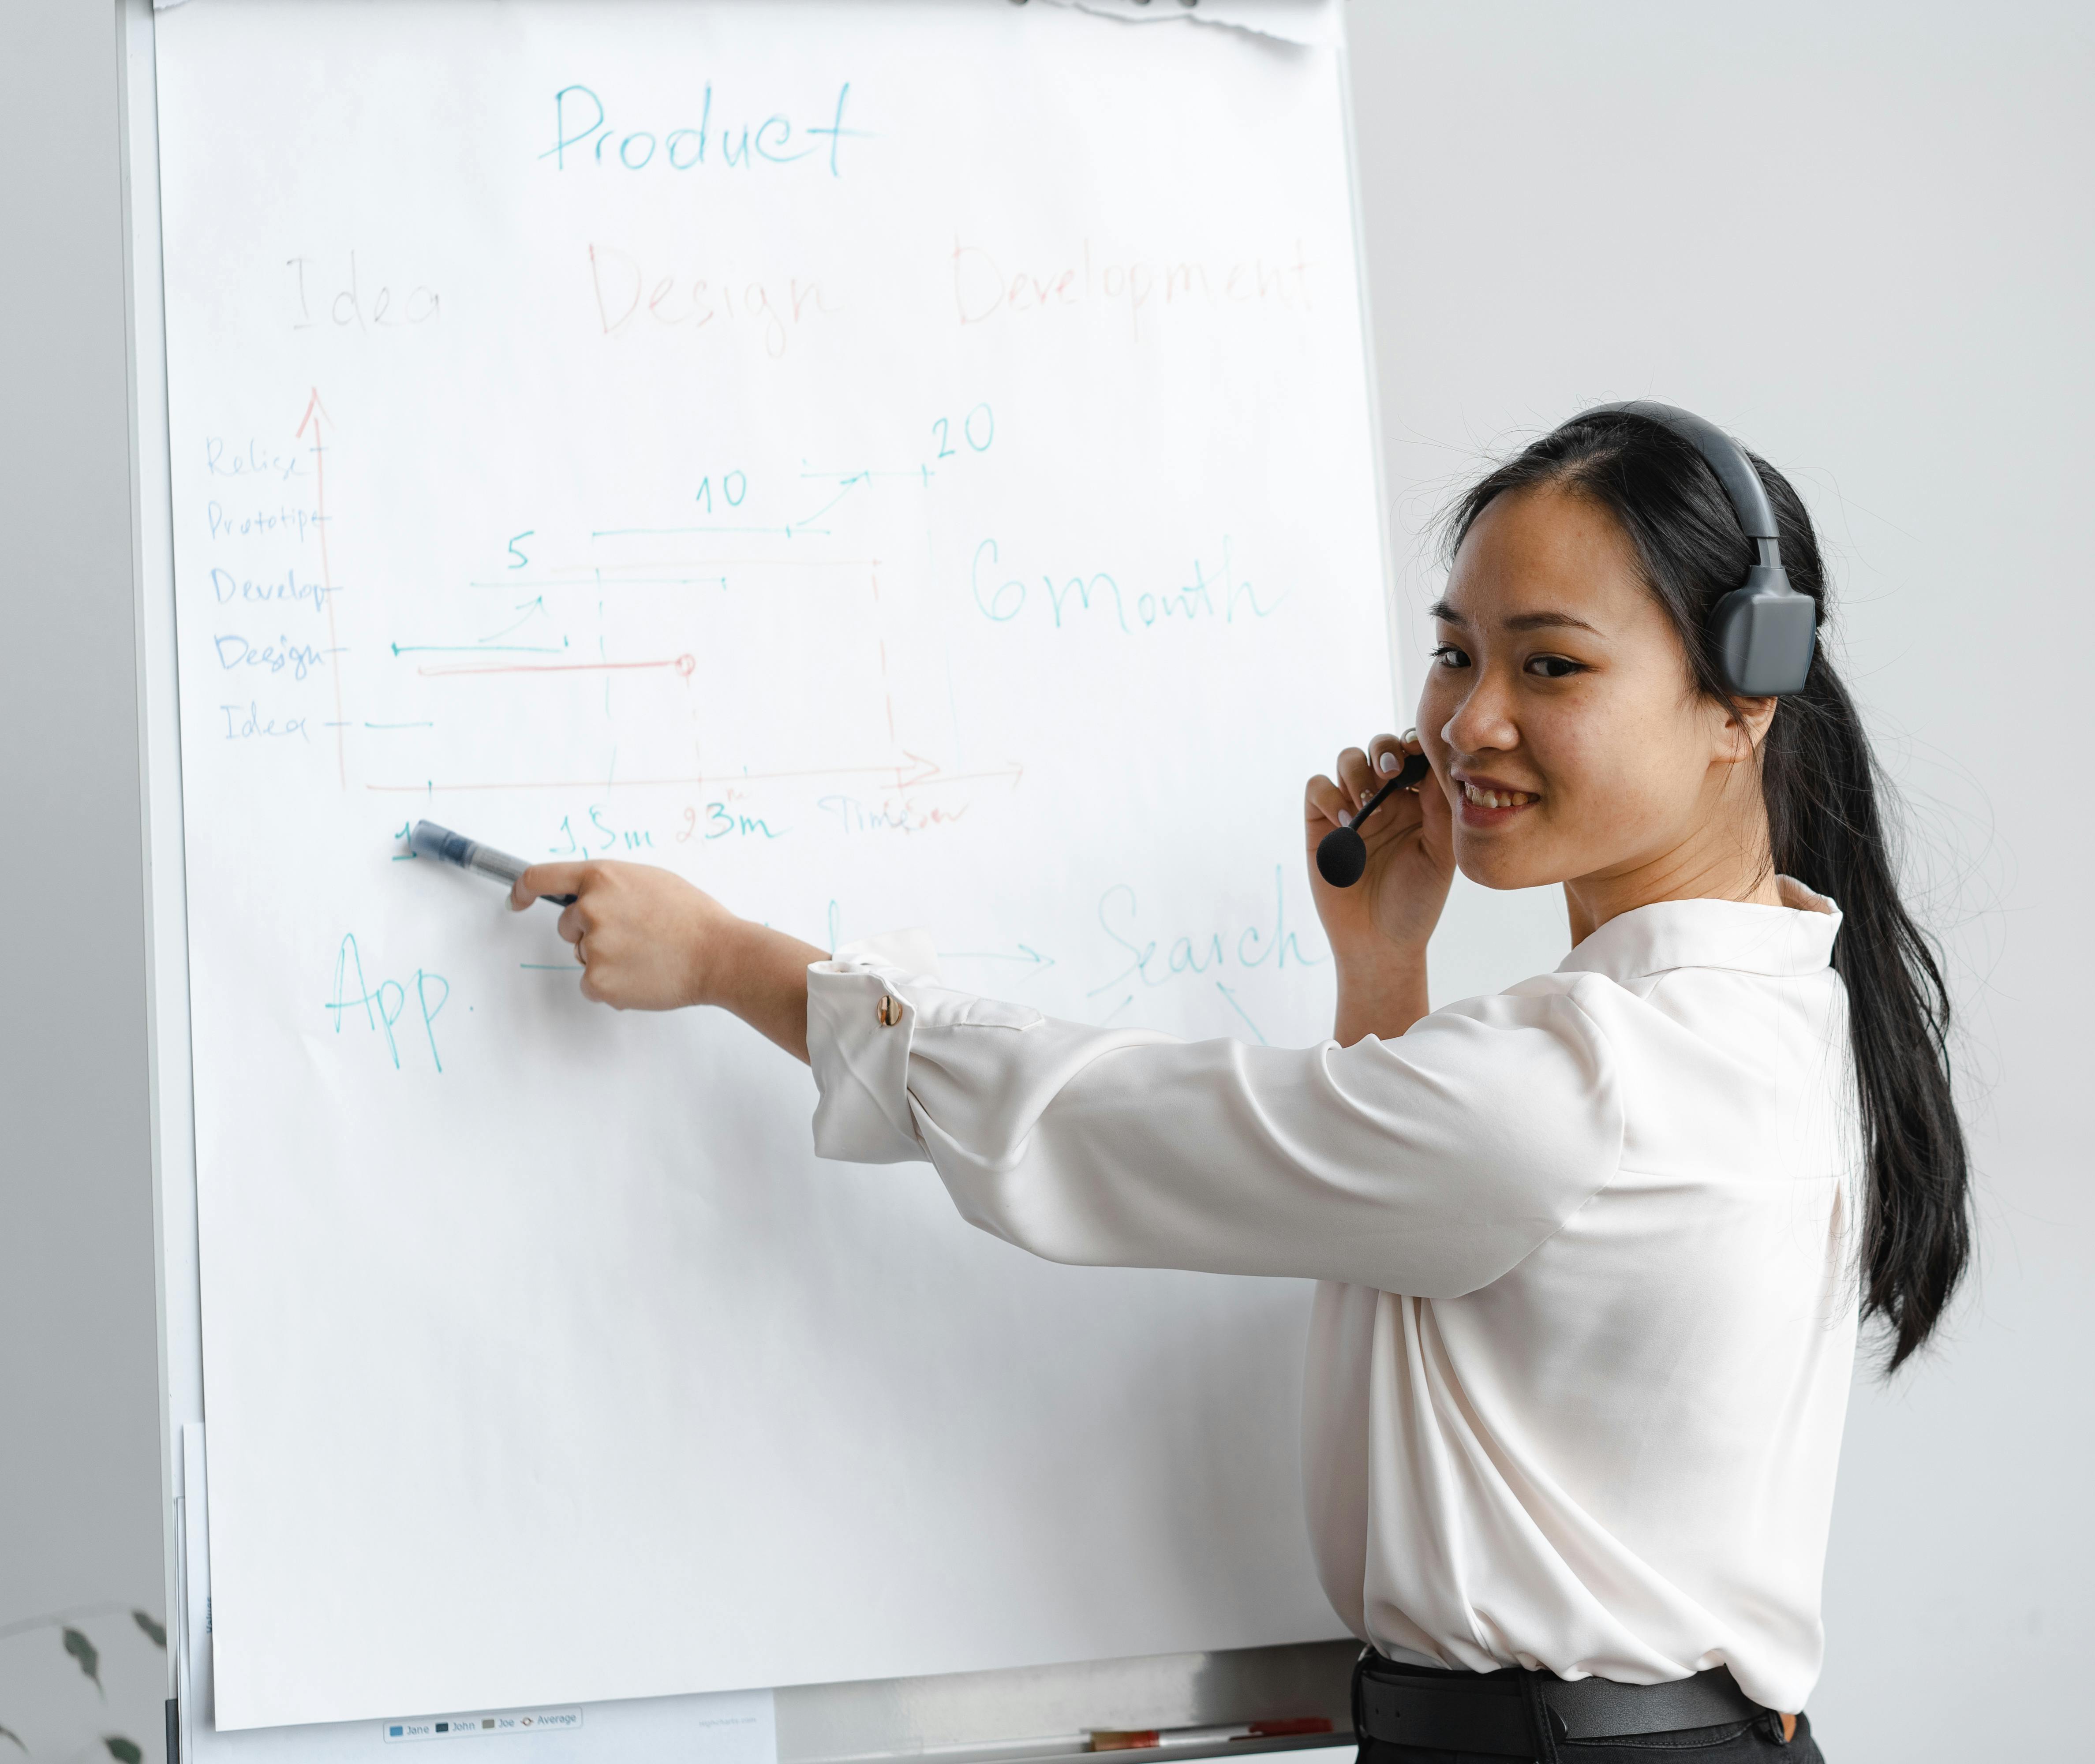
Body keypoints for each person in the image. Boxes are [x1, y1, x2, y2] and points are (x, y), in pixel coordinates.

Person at [512, 405, 1971, 1764]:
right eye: (1455, 651)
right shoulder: (1775, 1005)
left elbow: (1100, 1127)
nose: (1469, 723)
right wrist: (1383, 971)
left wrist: (731, 960)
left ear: (1745, 701)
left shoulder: (1580, 1088)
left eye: (1553, 664)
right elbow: (1419, 1218)